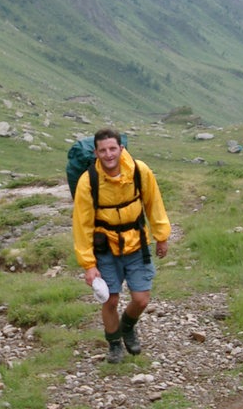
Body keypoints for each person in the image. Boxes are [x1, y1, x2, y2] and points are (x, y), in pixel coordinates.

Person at [72, 127, 171, 363]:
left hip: (137, 244)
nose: (108, 155)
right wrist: (88, 264)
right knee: (110, 300)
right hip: (105, 248)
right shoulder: (88, 182)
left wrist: (161, 235)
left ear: (121, 149)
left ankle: (127, 326)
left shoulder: (139, 170)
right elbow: (82, 224)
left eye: (113, 149)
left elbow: (153, 203)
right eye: (103, 150)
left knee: (141, 299)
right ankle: (114, 344)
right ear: (96, 152)